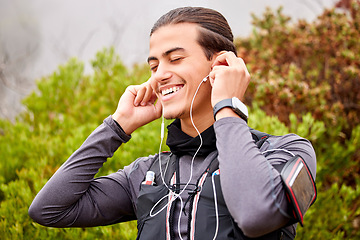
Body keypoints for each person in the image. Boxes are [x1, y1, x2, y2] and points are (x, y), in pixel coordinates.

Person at [29, 7, 316, 240]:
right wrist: (117, 127)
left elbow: (255, 216)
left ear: (220, 65)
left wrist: (228, 106)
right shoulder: (145, 173)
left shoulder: (284, 151)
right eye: (154, 66)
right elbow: (49, 210)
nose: (160, 75)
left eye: (175, 59)